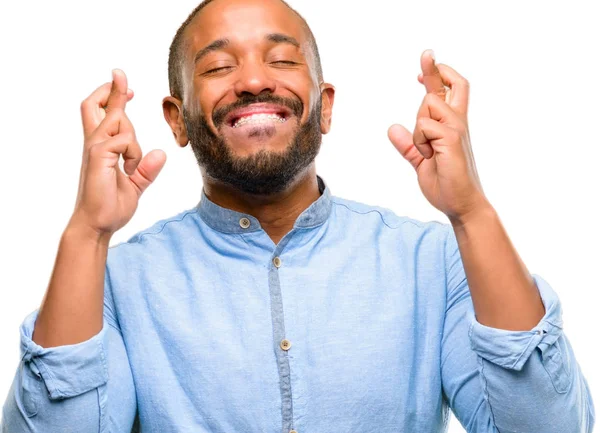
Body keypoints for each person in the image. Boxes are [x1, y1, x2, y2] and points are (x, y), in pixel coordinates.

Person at [1, 0, 595, 431]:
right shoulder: (112, 281)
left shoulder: (434, 261)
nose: (254, 81)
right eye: (216, 68)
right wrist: (87, 233)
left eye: (282, 61)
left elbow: (547, 427)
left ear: (324, 105)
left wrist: (471, 213)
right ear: (177, 120)